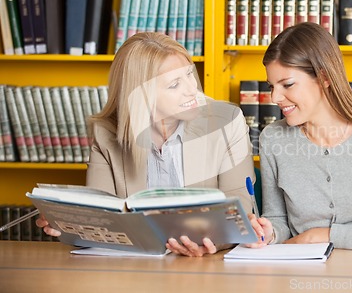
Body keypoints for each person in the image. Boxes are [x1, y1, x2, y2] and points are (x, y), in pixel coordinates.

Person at [36, 32, 256, 257]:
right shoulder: (106, 134)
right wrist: (69, 224)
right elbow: (102, 217)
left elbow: (241, 213)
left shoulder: (227, 122)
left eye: (189, 74)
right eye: (174, 84)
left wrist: (212, 242)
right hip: (136, 268)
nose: (192, 89)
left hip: (205, 269)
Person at [248, 22, 352, 250]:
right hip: (300, 278)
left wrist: (319, 235)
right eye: (271, 86)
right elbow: (278, 220)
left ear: (324, 77)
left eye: (287, 84)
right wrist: (268, 232)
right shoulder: (273, 138)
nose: (275, 97)